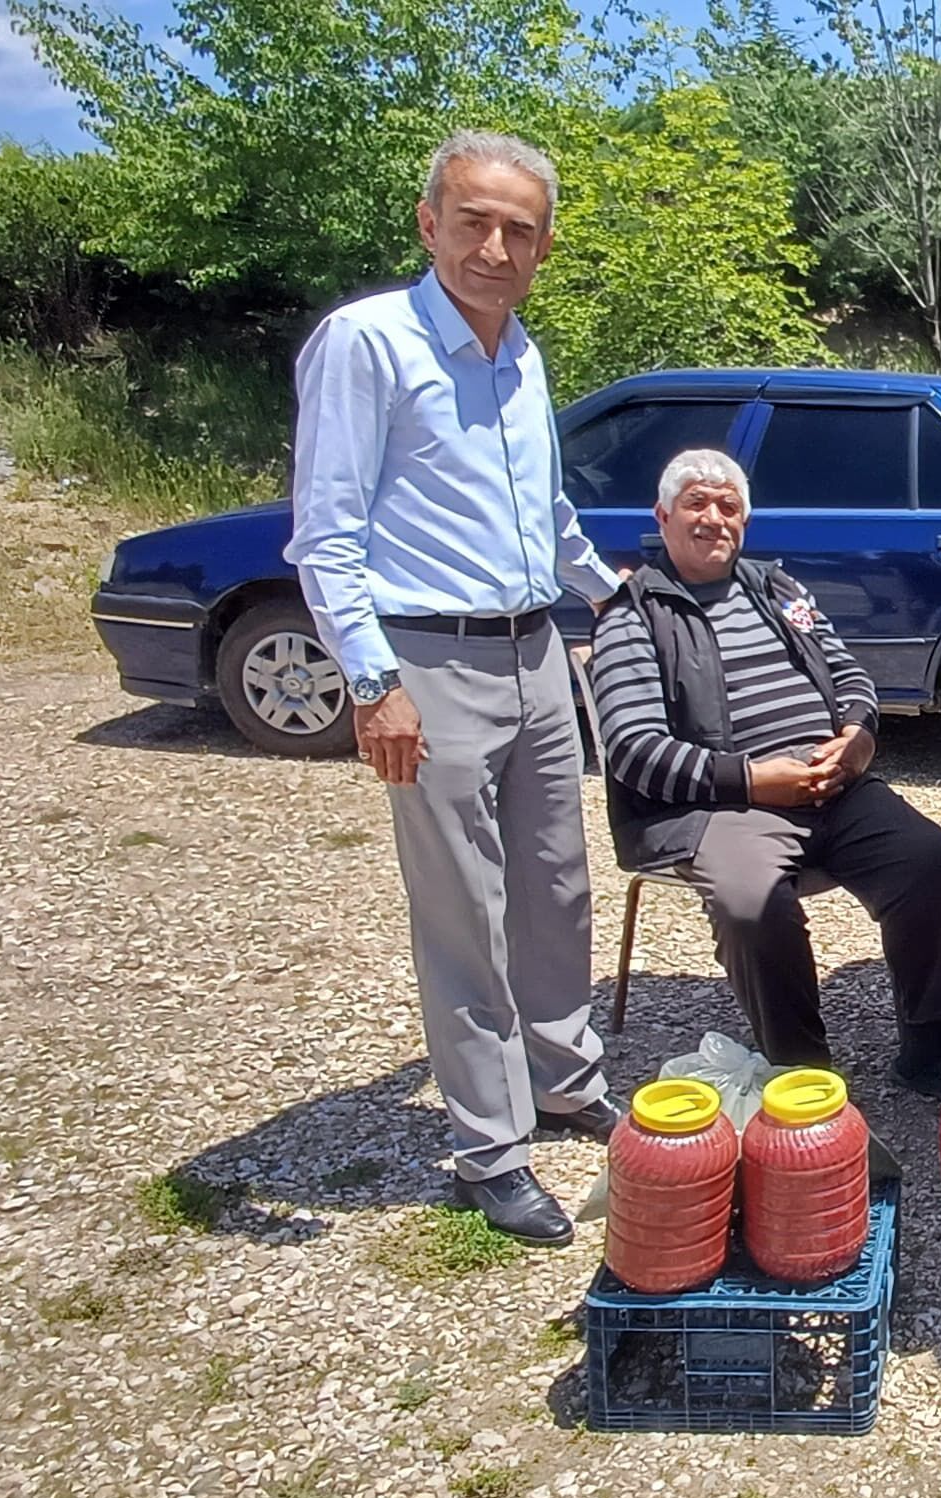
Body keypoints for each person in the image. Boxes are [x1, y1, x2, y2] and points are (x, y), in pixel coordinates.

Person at [285, 130, 624, 1246]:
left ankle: (565, 1079)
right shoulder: (368, 343)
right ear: (429, 222)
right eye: (473, 220)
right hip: (427, 658)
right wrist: (373, 684)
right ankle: (490, 1142)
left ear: (544, 245)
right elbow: (326, 535)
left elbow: (546, 516)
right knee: (464, 910)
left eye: (518, 229)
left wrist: (612, 594)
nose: (494, 245)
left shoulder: (521, 353)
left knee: (557, 882)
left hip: (535, 652)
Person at [588, 449, 941, 1096]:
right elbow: (632, 747)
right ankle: (801, 1069)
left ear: (745, 520)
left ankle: (929, 1044)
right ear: (663, 516)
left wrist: (858, 739)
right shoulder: (633, 615)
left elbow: (849, 675)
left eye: (728, 506)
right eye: (696, 504)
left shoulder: (778, 589)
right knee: (750, 904)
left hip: (834, 788)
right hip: (726, 806)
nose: (714, 518)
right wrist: (754, 781)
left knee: (931, 858)